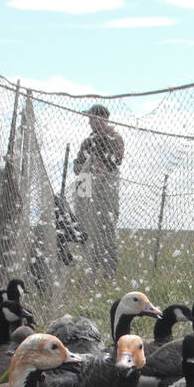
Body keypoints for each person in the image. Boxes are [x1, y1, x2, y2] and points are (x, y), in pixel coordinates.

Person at [73, 104, 125, 279]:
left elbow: (109, 164)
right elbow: (78, 165)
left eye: (93, 118)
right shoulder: (88, 141)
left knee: (106, 230)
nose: (90, 122)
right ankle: (91, 272)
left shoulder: (114, 138)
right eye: (89, 119)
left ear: (103, 118)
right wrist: (84, 194)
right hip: (87, 189)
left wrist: (94, 178)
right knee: (89, 230)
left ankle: (109, 273)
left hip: (106, 190)